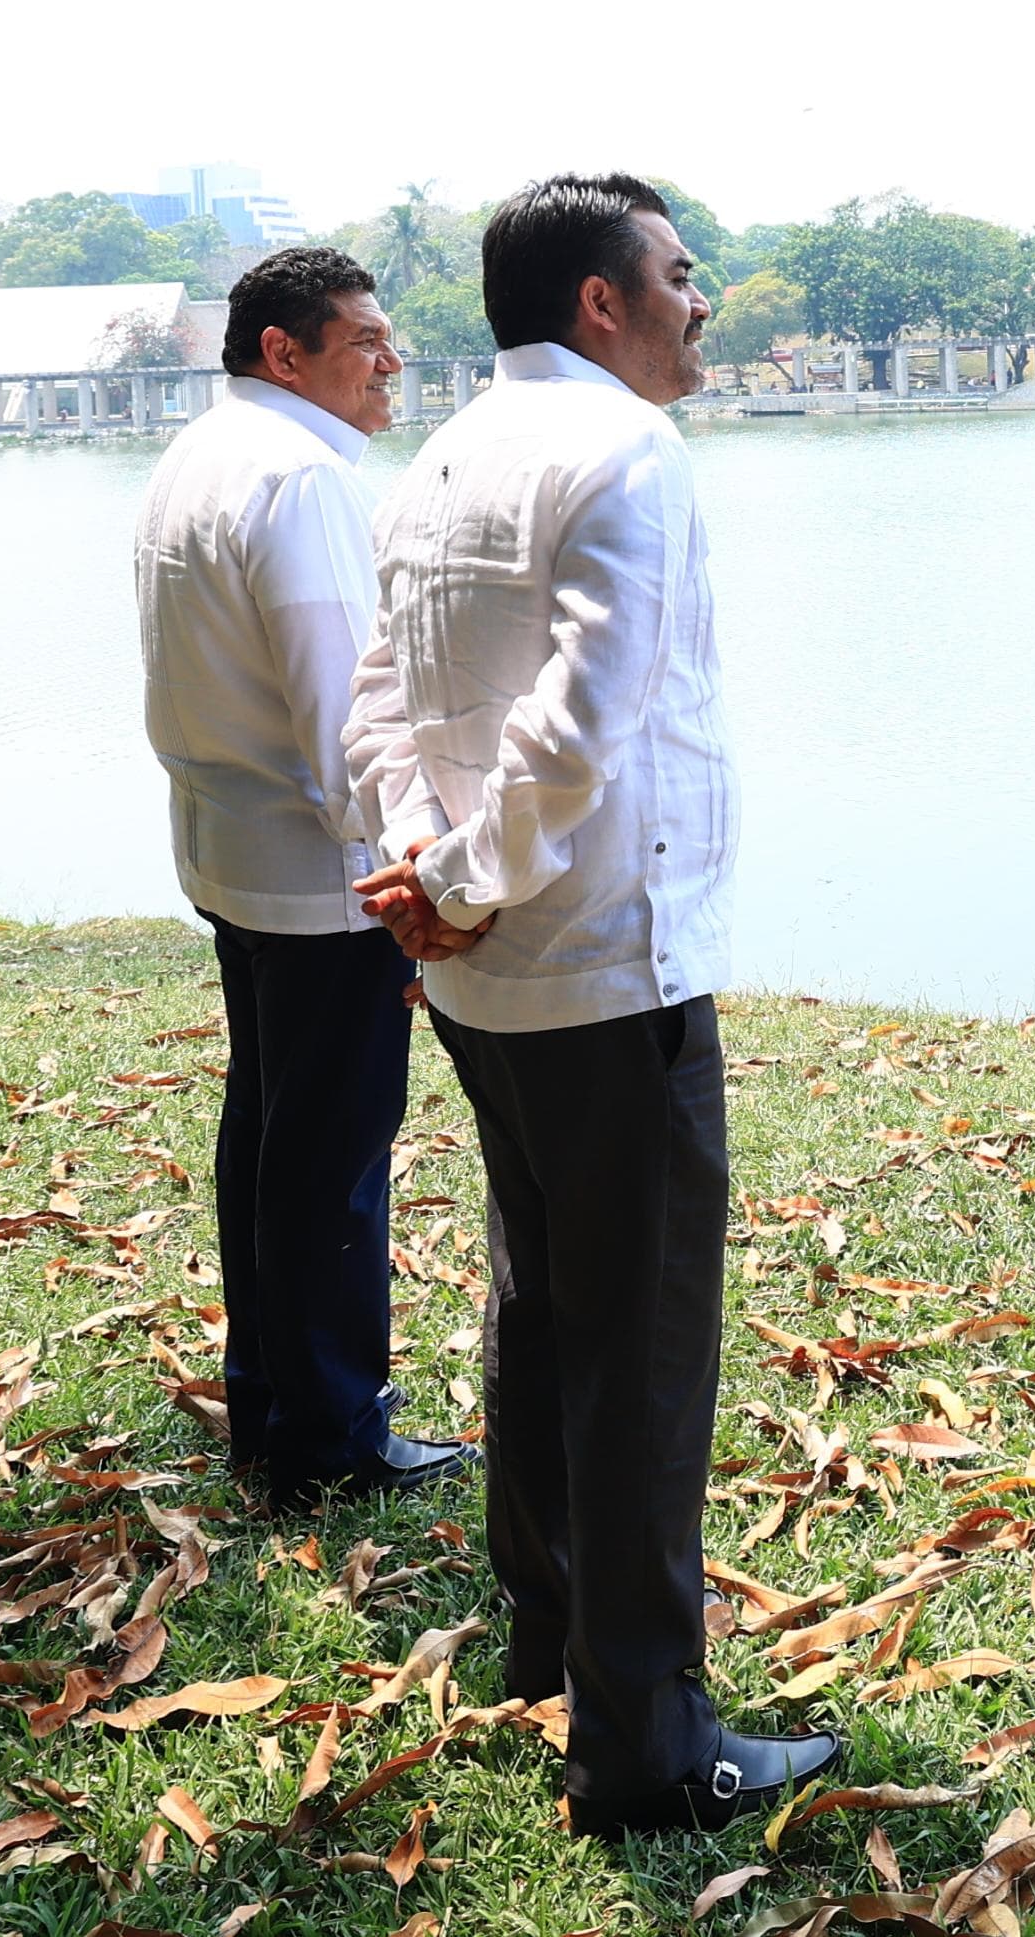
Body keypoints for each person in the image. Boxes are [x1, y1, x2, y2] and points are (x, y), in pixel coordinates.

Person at [342, 174, 836, 1839]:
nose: (704, 301)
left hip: (486, 970)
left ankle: (549, 1635)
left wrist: (422, 863)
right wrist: (467, 872)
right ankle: (645, 1736)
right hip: (606, 959)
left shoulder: (443, 454)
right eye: (681, 275)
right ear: (601, 302)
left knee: (542, 1302)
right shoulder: (627, 452)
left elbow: (378, 700)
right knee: (637, 1349)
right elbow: (582, 721)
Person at [129, 245, 468, 1512]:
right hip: (327, 883)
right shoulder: (303, 478)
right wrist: (413, 873)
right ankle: (328, 1430)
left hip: (234, 855)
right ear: (284, 350)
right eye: (364, 340)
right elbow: (345, 711)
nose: (393, 363)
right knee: (328, 1158)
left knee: (270, 1143)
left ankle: (272, 1398)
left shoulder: (198, 457)